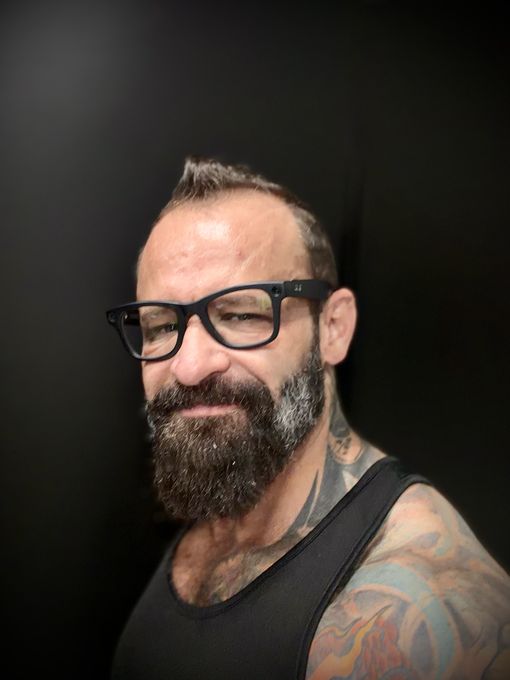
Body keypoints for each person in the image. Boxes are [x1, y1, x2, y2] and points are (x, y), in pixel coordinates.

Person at [107, 156, 510, 680]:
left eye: (241, 314)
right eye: (161, 325)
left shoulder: (416, 611)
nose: (189, 366)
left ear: (333, 328)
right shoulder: (228, 486)